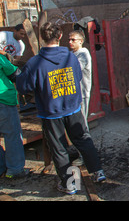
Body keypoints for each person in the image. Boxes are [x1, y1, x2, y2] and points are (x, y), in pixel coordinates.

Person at [16, 22, 106, 195]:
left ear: (42, 37)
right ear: (59, 37)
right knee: (83, 139)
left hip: (51, 113)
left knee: (59, 148)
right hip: (73, 108)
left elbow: (23, 87)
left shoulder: (35, 63)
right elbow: (77, 77)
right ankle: (98, 172)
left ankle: (70, 184)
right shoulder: (71, 57)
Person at [0, 51, 30, 179]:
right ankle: (15, 169)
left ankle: (1, 168)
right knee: (12, 135)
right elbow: (14, 73)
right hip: (3, 100)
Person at [68, 30, 92, 129]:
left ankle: (86, 140)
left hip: (81, 93)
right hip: (72, 92)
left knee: (81, 121)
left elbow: (74, 69)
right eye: (69, 40)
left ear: (80, 41)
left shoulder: (83, 53)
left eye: (73, 40)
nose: (70, 42)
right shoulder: (70, 54)